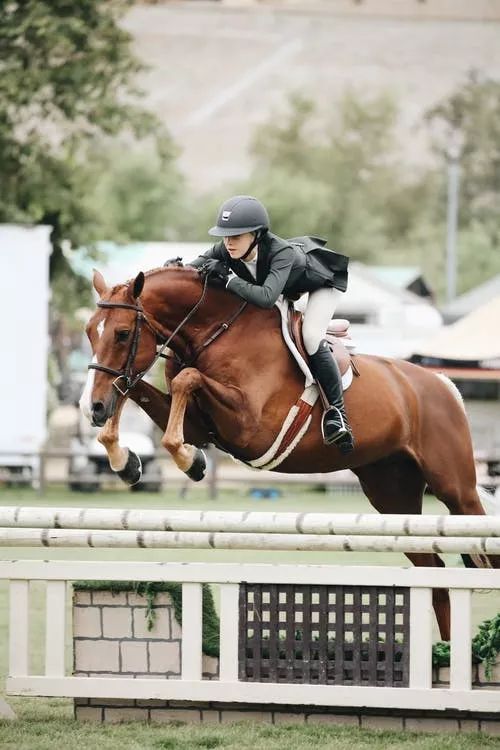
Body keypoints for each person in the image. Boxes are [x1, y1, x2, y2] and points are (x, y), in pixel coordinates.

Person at [188, 195, 354, 452]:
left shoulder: (281, 252)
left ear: (256, 234)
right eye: (225, 236)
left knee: (310, 336)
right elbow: (192, 269)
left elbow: (266, 298)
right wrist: (173, 268)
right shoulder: (228, 248)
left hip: (322, 285)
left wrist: (230, 280)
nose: (228, 243)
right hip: (288, 288)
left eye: (236, 236)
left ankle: (337, 415)